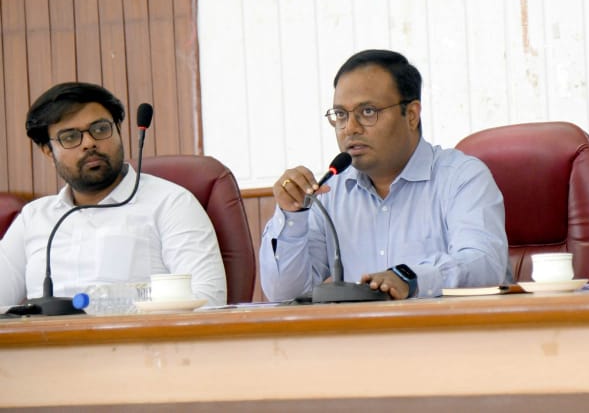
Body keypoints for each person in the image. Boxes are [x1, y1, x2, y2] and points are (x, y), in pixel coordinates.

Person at [259, 49, 510, 300]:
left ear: (411, 115)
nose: (350, 128)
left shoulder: (461, 178)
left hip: (445, 325)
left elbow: (484, 264)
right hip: (358, 326)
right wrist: (292, 215)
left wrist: (410, 278)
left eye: (368, 111)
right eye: (341, 115)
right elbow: (284, 294)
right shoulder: (327, 193)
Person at [0, 82, 226, 307]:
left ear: (118, 130)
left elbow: (208, 301)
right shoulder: (33, 217)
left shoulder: (171, 203)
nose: (89, 143)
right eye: (70, 137)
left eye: (100, 129)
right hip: (47, 332)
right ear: (48, 151)